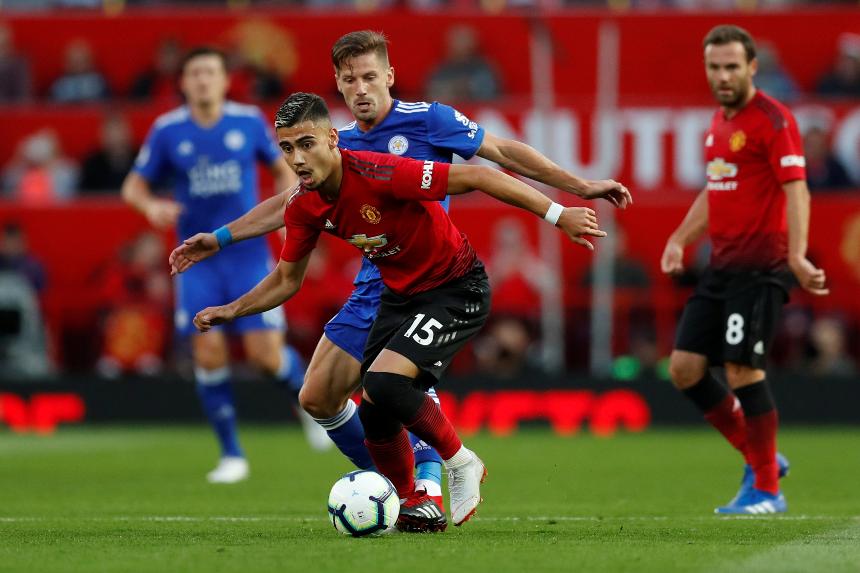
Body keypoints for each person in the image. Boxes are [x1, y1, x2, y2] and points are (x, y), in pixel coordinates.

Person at [169, 30, 631, 514]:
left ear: (389, 76)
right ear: (338, 84)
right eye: (350, 80)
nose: (361, 89)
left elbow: (502, 155)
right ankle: (392, 491)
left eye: (370, 77)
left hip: (438, 276)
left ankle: (429, 486)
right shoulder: (332, 145)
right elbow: (288, 205)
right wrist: (221, 237)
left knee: (395, 385)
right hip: (379, 282)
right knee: (320, 396)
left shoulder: (428, 121)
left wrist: (577, 188)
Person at [122, 47, 328, 485]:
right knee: (208, 349)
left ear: (224, 80)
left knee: (264, 357)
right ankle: (232, 453)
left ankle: (308, 403)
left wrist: (289, 214)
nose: (203, 80)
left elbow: (284, 168)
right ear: (184, 82)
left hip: (247, 254)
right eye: (195, 73)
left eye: (210, 72)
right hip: (197, 260)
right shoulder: (167, 130)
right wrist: (150, 207)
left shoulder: (248, 121)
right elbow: (133, 186)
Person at [660, 25, 828, 515]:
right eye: (715, 67)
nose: (723, 76)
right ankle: (762, 458)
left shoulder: (774, 120)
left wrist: (797, 256)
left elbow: (797, 188)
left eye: (732, 67)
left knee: (742, 370)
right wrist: (679, 239)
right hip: (721, 267)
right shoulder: (718, 122)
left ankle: (768, 489)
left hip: (762, 267)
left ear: (752, 67)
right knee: (684, 369)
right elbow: (716, 188)